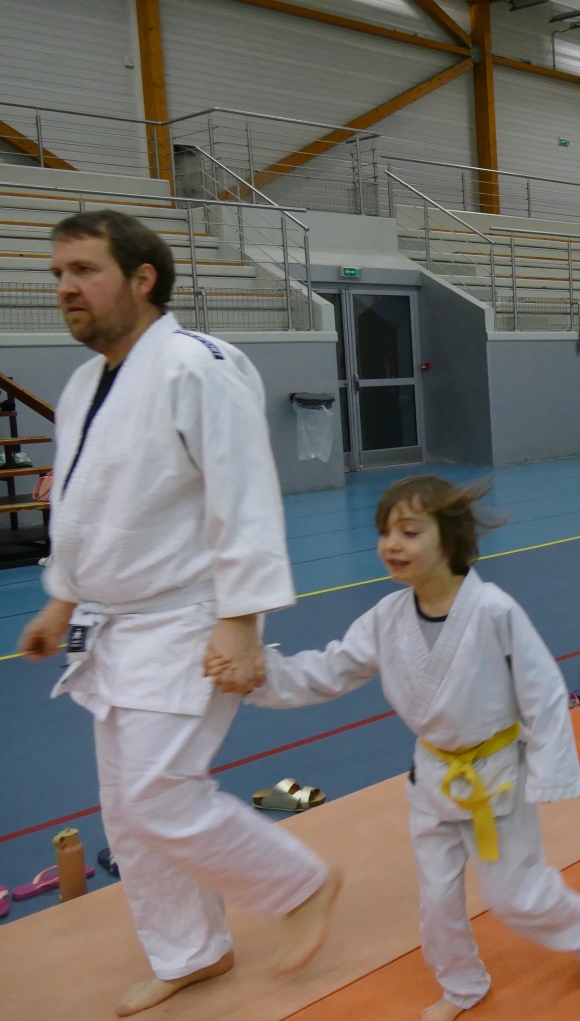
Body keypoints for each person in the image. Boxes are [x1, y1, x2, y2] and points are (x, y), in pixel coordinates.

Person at [15, 211, 339, 1016]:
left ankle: (299, 885)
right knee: (128, 812)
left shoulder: (197, 365)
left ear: (142, 278)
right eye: (58, 275)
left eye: (84, 271)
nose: (66, 289)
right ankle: (192, 950)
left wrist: (242, 619)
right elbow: (87, 509)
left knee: (161, 793)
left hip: (193, 616)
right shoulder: (86, 385)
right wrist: (61, 597)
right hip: (114, 624)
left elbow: (244, 493)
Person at [210, 477, 580, 1021]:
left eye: (409, 532)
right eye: (384, 533)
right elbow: (328, 670)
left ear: (449, 539)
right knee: (437, 903)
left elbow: (542, 693)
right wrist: (256, 674)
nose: (391, 545)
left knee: (514, 896)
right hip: (432, 779)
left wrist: (550, 772)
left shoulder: (492, 610)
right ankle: (462, 986)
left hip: (496, 780)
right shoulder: (387, 617)